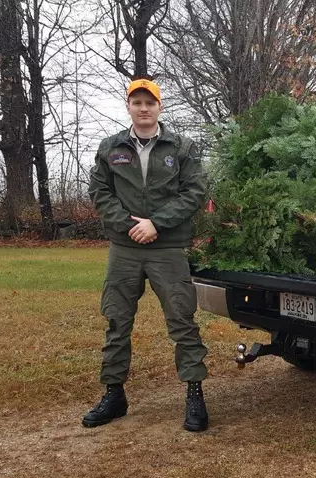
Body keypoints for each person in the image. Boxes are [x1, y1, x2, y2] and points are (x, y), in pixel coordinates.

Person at [83, 78, 211, 432]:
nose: (143, 108)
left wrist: (156, 223)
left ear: (159, 107)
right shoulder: (111, 147)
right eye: (137, 102)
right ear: (128, 106)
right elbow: (99, 190)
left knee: (182, 321)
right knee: (116, 321)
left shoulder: (182, 147)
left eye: (149, 102)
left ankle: (194, 393)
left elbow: (195, 191)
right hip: (124, 249)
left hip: (167, 248)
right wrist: (127, 225)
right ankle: (114, 394)